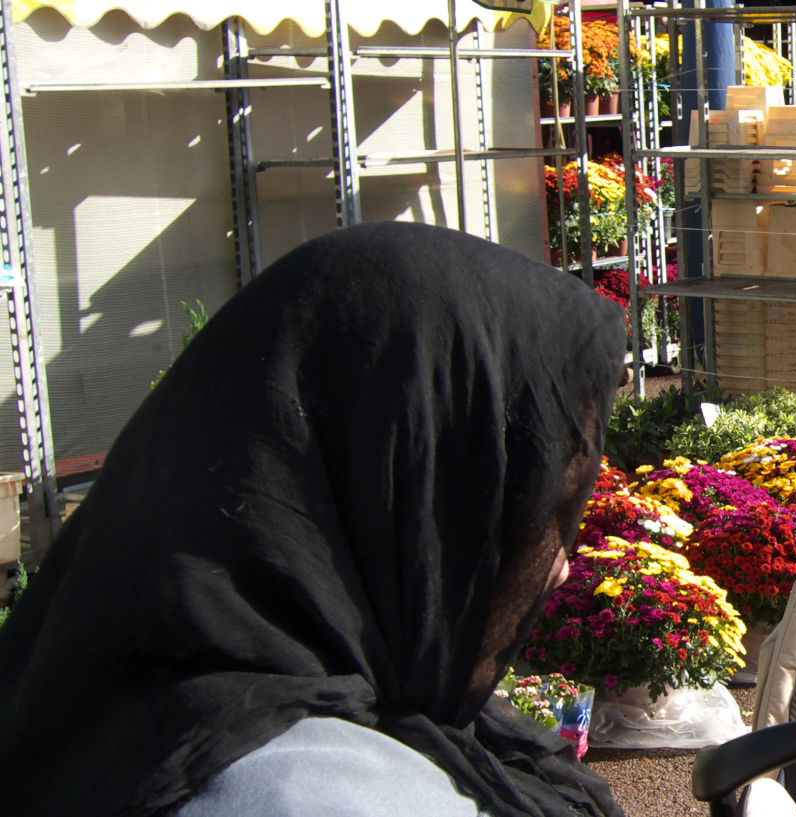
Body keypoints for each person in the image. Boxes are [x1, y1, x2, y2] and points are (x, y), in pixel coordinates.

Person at [0, 222, 630, 817]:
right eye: (530, 508)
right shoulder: (307, 792)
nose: (557, 566)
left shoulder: (115, 690)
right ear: (411, 507)